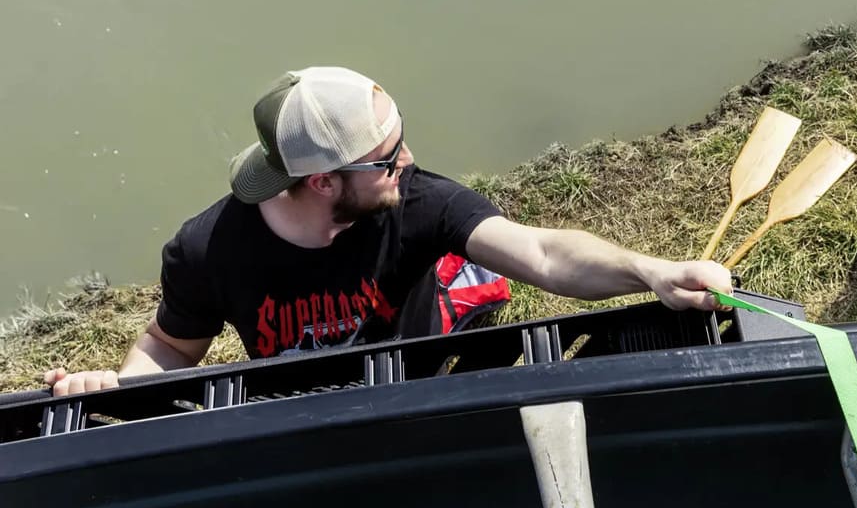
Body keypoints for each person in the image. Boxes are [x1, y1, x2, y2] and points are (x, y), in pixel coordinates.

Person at [45, 66, 732, 396]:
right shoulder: (207, 249)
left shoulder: (418, 200)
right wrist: (117, 386)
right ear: (322, 181)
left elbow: (544, 253)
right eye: (386, 157)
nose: (408, 160)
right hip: (297, 407)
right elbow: (170, 347)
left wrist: (651, 271)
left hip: (417, 383)